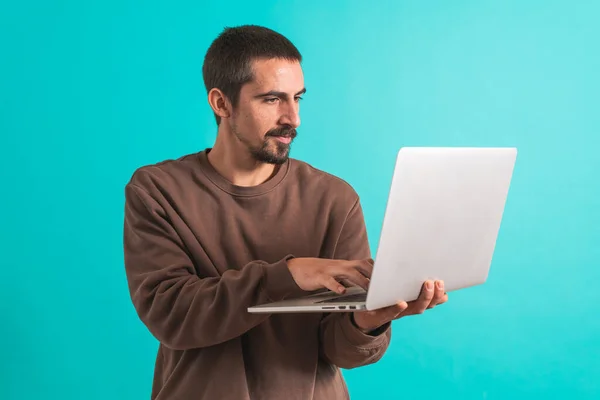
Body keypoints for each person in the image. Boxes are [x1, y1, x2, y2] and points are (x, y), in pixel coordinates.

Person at [123, 24, 448, 400]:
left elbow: (339, 349)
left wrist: (370, 320)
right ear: (221, 103)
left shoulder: (334, 198)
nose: (293, 118)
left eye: (298, 98)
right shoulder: (159, 191)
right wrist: (291, 273)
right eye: (272, 99)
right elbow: (173, 316)